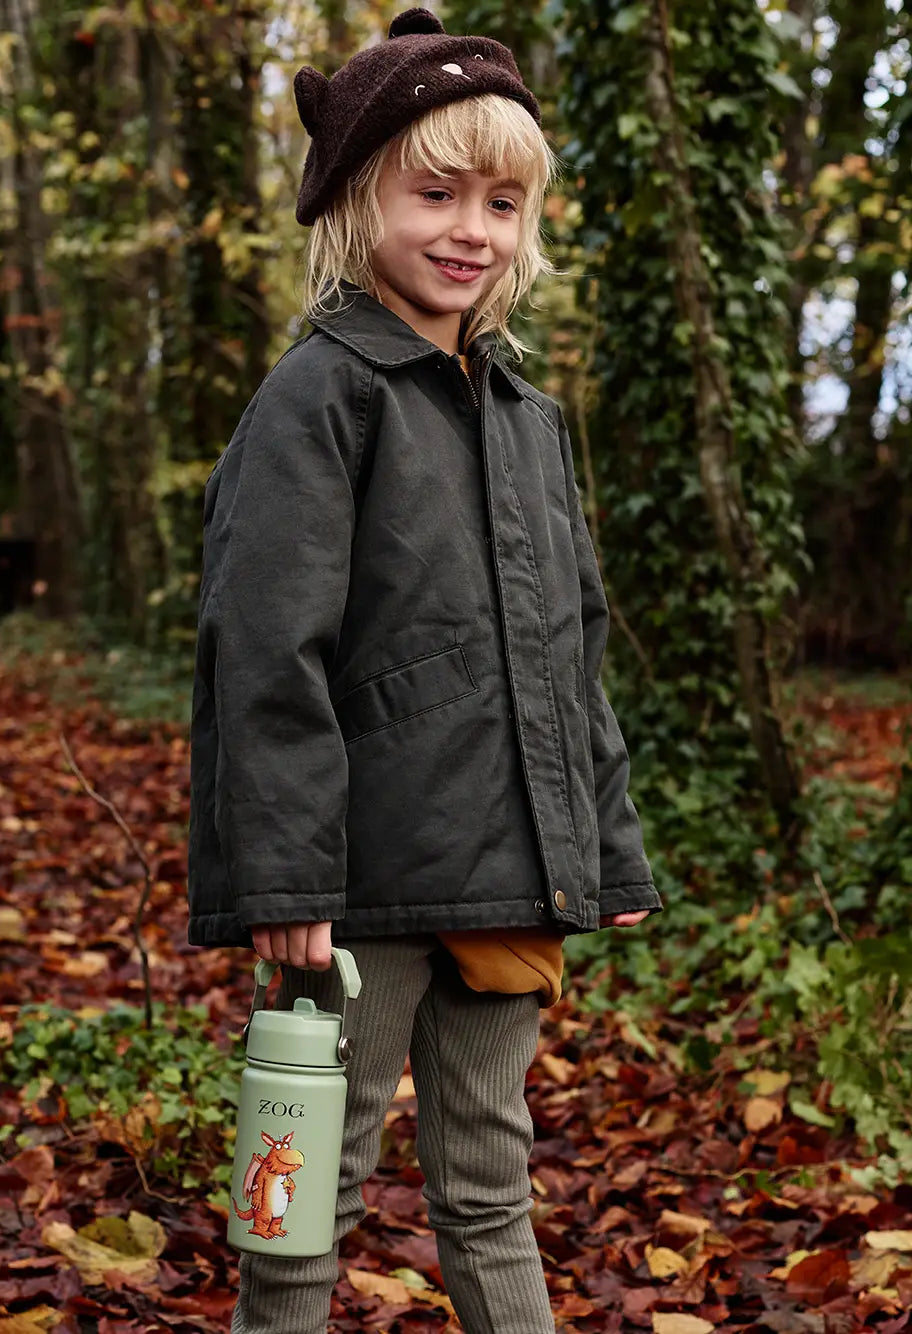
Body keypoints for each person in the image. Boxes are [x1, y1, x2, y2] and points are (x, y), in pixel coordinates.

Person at [186, 8, 663, 1331]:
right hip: (361, 888)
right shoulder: (318, 399)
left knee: (489, 1178)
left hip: (510, 865)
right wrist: (285, 876)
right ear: (356, 199)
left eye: (501, 202)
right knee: (303, 1189)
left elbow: (574, 643)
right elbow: (268, 648)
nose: (470, 228)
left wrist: (607, 849)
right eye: (434, 191)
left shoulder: (526, 418)